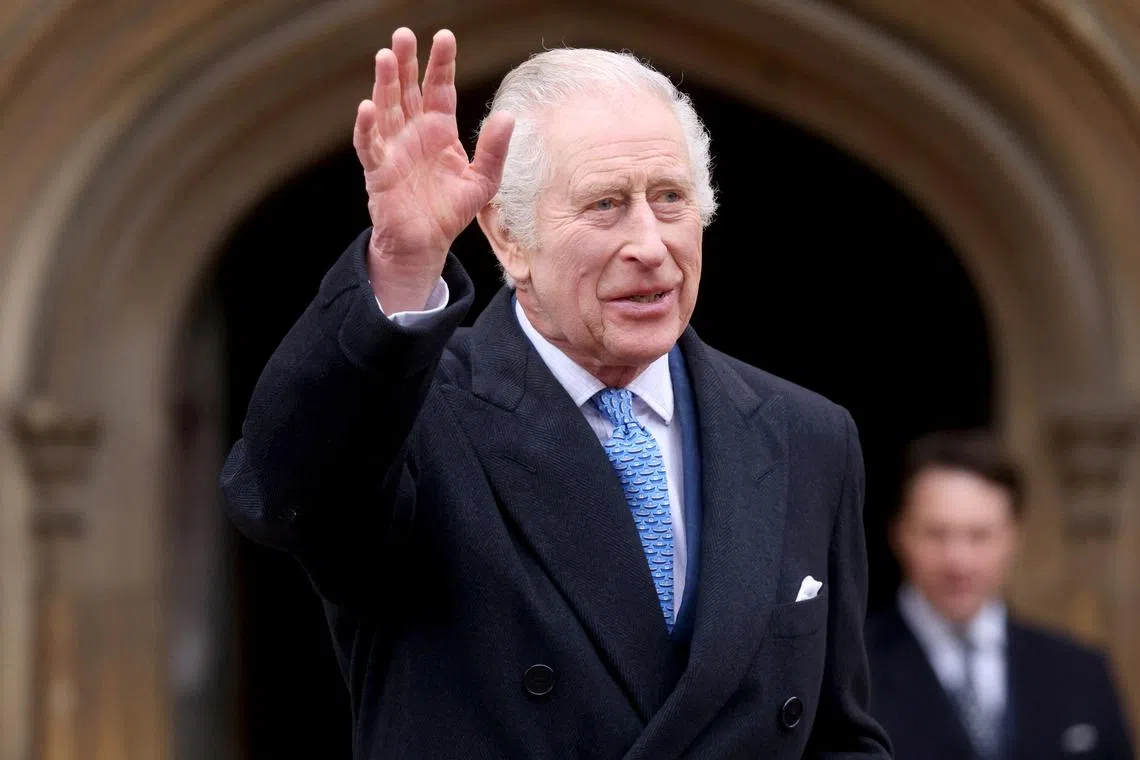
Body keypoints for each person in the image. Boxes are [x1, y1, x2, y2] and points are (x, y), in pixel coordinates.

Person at [220, 26, 891, 759]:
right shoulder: (414, 417)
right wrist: (403, 262)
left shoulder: (807, 435)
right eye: (605, 204)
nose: (649, 245)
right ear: (509, 237)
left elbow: (839, 734)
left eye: (670, 198)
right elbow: (282, 496)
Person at [866, 429, 1135, 760]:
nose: (958, 561)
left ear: (1014, 536)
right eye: (936, 534)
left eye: (979, 535)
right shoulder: (850, 673)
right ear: (898, 533)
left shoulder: (1080, 672)